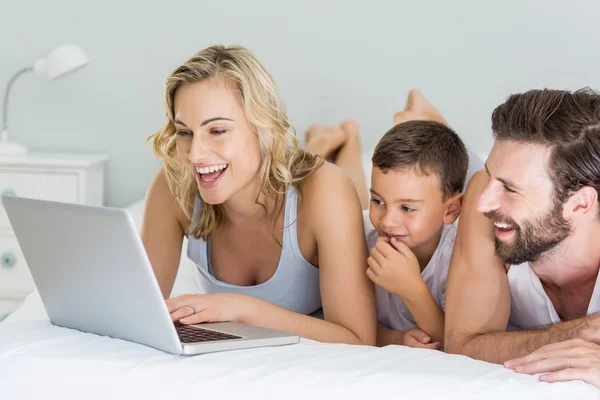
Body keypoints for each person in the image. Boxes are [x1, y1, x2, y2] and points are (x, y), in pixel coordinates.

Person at [141, 45, 376, 345]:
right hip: (276, 167)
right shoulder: (174, 183)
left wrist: (243, 309)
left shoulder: (326, 191)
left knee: (355, 194)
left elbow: (358, 339)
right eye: (185, 132)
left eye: (217, 131)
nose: (195, 155)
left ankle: (348, 141)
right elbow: (138, 309)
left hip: (317, 185)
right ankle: (318, 142)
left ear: (262, 127)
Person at [444, 88, 600, 387]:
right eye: (492, 177)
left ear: (580, 204)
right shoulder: (482, 196)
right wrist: (579, 333)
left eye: (511, 189)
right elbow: (462, 345)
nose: (482, 204)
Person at [304, 90, 481, 349]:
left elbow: (459, 340)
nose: (387, 221)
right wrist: (394, 339)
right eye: (379, 201)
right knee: (347, 198)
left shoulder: (460, 255)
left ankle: (346, 140)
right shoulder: (359, 240)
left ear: (451, 210)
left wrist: (413, 290)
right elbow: (346, 322)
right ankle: (327, 145)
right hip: (354, 214)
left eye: (407, 208)